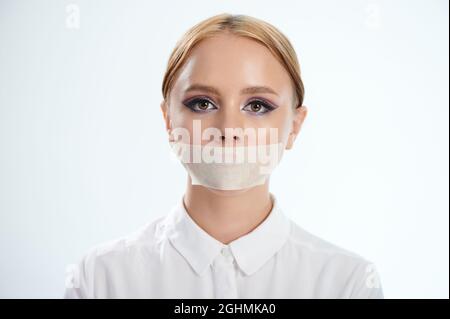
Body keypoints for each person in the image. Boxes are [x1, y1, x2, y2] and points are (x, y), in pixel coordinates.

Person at [64, 13, 383, 299]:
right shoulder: (100, 279)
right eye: (202, 103)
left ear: (294, 127)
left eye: (257, 105)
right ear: (168, 120)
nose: (229, 129)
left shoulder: (347, 284)